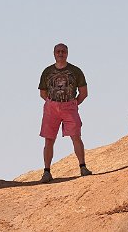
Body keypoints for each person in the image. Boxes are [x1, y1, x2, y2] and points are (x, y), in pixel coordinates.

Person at [38, 43, 92, 183]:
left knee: (76, 136)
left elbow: (84, 92)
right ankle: (47, 172)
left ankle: (83, 167)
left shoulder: (75, 71)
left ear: (67, 53)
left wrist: (72, 104)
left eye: (63, 51)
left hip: (69, 106)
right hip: (52, 108)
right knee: (49, 139)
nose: (60, 54)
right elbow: (42, 92)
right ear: (54, 53)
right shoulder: (47, 72)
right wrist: (53, 103)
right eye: (58, 51)